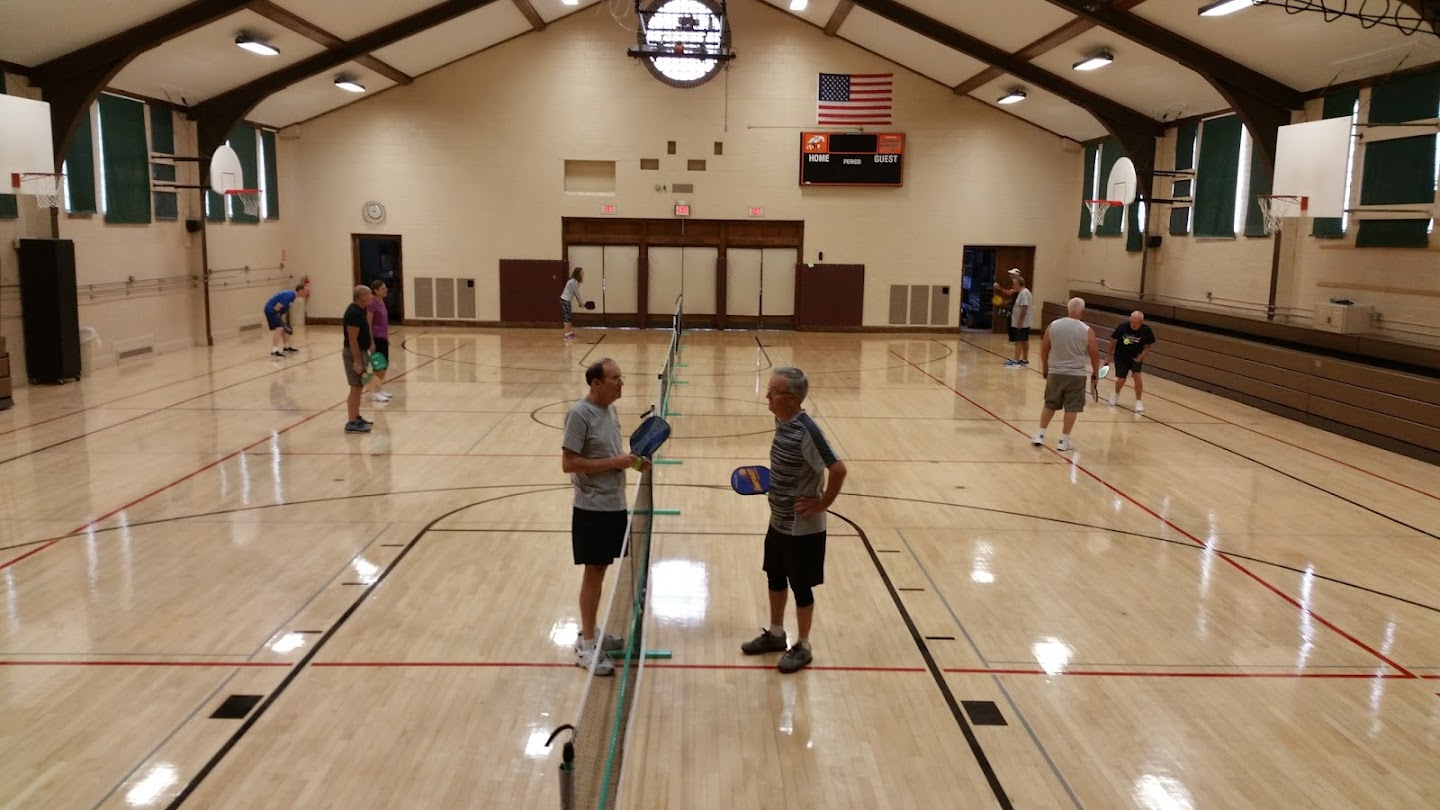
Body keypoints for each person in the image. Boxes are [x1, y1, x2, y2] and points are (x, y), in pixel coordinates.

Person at [740, 366, 847, 674]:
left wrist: (822, 502)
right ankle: (776, 634)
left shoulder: (808, 431)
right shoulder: (781, 420)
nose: (767, 397)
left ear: (792, 398)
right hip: (778, 520)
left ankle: (803, 645)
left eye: (773, 392)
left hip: (803, 528)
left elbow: (838, 470)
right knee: (774, 576)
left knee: (800, 586)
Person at [562, 358, 648, 675]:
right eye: (614, 378)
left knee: (601, 571)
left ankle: (592, 631)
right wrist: (617, 462)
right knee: (594, 572)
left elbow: (613, 454)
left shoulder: (609, 409)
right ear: (596, 383)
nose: (621, 382)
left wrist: (633, 463)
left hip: (614, 503)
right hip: (591, 507)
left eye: (620, 376)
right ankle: (586, 645)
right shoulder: (579, 414)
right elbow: (569, 464)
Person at [1032, 297, 1100, 452]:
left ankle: (1040, 435)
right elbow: (1095, 355)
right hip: (1076, 375)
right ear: (1082, 312)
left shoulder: (1053, 326)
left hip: (1055, 373)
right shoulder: (1087, 330)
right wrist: (1095, 373)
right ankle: (1063, 441)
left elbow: (1044, 349)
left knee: (1049, 404)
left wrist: (1045, 367)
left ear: (1068, 310)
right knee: (1072, 408)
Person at [1107, 310, 1155, 413]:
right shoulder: (1122, 327)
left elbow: (1147, 347)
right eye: (1131, 321)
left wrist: (1141, 356)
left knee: (1136, 376)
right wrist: (1108, 357)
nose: (1133, 324)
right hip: (1121, 357)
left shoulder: (1146, 330)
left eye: (1136, 323)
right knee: (1121, 379)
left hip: (1135, 357)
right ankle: (1116, 394)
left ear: (1141, 322)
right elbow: (1112, 341)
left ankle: (1138, 401)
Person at [342, 285, 374, 434]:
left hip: (361, 352)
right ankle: (351, 421)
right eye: (369, 295)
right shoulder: (353, 313)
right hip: (354, 353)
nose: (372, 297)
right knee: (355, 387)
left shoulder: (361, 309)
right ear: (362, 297)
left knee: (359, 386)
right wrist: (357, 361)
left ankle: (356, 416)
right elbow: (352, 339)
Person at [995, 269, 1032, 367]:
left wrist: (1020, 321)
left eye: (1014, 284)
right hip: (1022, 322)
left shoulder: (1024, 293)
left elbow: (1024, 308)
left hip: (1022, 322)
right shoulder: (1022, 293)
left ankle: (1016, 360)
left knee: (1019, 341)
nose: (1013, 286)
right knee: (1024, 340)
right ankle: (1024, 359)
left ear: (1019, 284)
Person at [264, 283, 310, 358]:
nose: (307, 293)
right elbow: (277, 308)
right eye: (306, 291)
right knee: (279, 328)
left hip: (275, 312)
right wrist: (279, 319)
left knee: (284, 329)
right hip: (271, 311)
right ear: (301, 290)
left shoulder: (292, 296)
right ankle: (274, 350)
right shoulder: (289, 296)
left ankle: (286, 347)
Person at [366, 279, 393, 402]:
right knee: (378, 366)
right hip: (376, 338)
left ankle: (379, 388)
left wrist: (386, 337)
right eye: (383, 288)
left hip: (382, 337)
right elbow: (369, 322)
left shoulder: (381, 301)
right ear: (376, 291)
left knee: (384, 365)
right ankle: (374, 392)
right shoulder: (372, 303)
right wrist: (371, 342)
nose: (386, 289)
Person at [559, 267, 587, 341]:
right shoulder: (573, 282)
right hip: (565, 300)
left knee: (569, 316)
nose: (582, 274)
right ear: (578, 273)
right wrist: (581, 303)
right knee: (567, 317)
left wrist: (580, 303)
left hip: (567, 300)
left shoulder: (575, 282)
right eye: (581, 273)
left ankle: (570, 332)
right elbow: (576, 293)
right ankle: (566, 334)